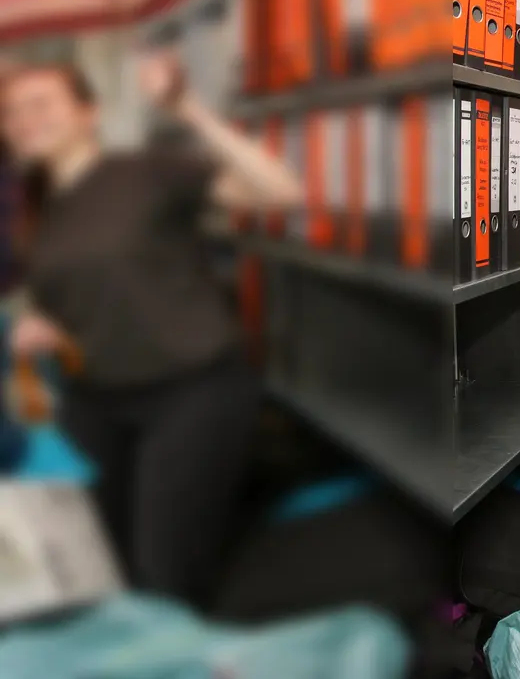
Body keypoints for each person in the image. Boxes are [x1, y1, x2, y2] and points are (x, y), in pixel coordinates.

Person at [0, 52, 303, 605]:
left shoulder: (147, 171)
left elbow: (279, 191)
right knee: (103, 556)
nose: (24, 121)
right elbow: (72, 292)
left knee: (166, 568)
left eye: (40, 104)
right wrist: (39, 323)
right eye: (11, 112)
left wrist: (185, 106)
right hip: (96, 399)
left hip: (192, 390)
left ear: (88, 112)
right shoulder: (37, 210)